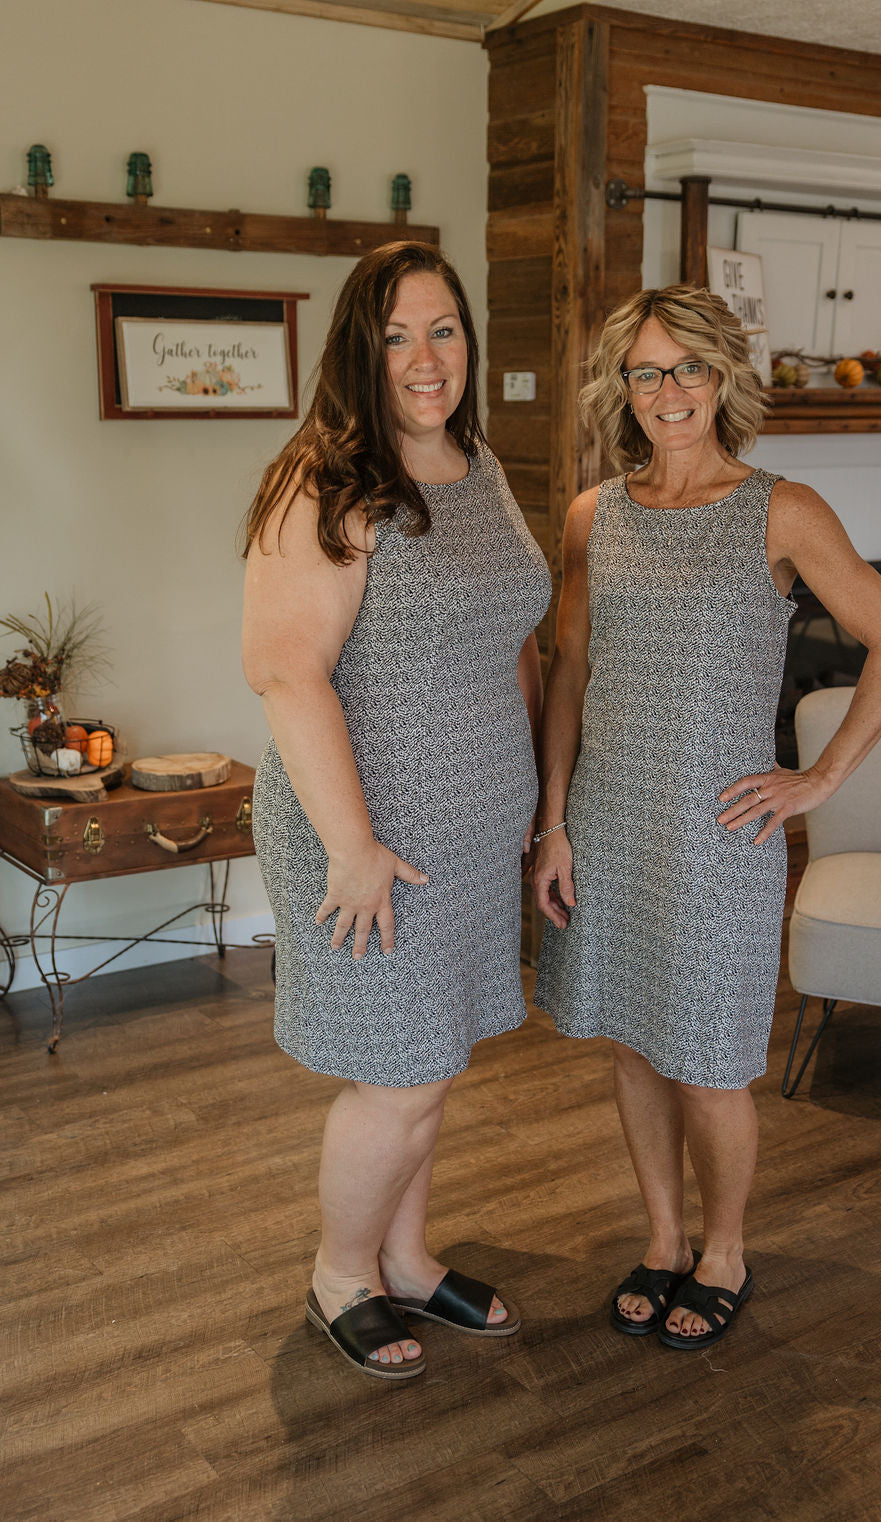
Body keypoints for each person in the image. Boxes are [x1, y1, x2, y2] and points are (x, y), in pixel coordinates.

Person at [532, 285, 881, 1350]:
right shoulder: (592, 515)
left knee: (708, 1063)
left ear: (722, 378)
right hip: (607, 824)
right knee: (632, 1048)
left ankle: (724, 1253)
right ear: (623, 386)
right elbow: (570, 669)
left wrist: (819, 777)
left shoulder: (781, 511)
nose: (669, 391)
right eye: (647, 371)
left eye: (689, 368)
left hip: (719, 837)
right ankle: (664, 1241)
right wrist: (554, 823)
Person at [242, 242, 550, 1381]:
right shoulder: (326, 481)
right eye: (395, 338)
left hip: (472, 831)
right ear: (357, 353)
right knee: (400, 1074)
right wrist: (354, 846)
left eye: (444, 330)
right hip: (369, 835)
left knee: (436, 1058)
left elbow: (511, 637)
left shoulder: (479, 464)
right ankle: (341, 1275)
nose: (426, 359)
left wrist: (533, 801)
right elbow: (285, 671)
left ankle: (407, 1260)